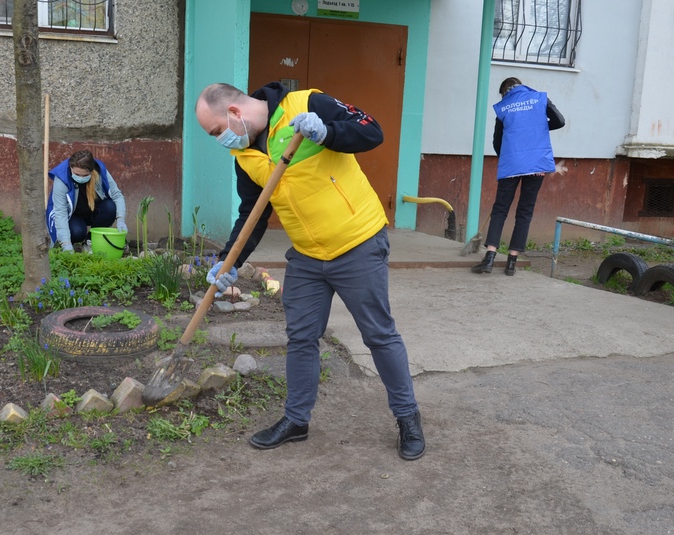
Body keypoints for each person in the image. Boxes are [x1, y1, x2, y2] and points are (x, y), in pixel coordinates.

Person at [195, 82, 425, 460]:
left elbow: (372, 131)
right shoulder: (246, 157)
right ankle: (296, 420)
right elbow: (252, 214)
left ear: (234, 113)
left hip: (357, 244)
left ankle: (408, 417)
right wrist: (228, 260)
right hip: (306, 255)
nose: (220, 140)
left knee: (378, 335)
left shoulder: (306, 103)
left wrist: (329, 132)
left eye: (216, 131)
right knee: (301, 337)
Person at [472, 77, 566, 275]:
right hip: (537, 164)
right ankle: (512, 262)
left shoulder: (504, 106)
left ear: (504, 91)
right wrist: (537, 126)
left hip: (511, 163)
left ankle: (489, 258)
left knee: (500, 210)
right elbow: (560, 121)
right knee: (525, 211)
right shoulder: (539, 99)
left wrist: (508, 158)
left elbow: (497, 141)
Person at [45, 150, 128, 252]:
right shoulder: (62, 177)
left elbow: (117, 195)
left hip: (94, 211)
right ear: (70, 167)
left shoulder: (100, 170)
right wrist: (65, 243)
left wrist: (121, 219)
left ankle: (90, 241)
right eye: (77, 174)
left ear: (92, 171)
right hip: (72, 216)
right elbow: (60, 212)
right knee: (77, 232)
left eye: (85, 175)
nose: (80, 178)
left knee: (110, 207)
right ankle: (69, 245)